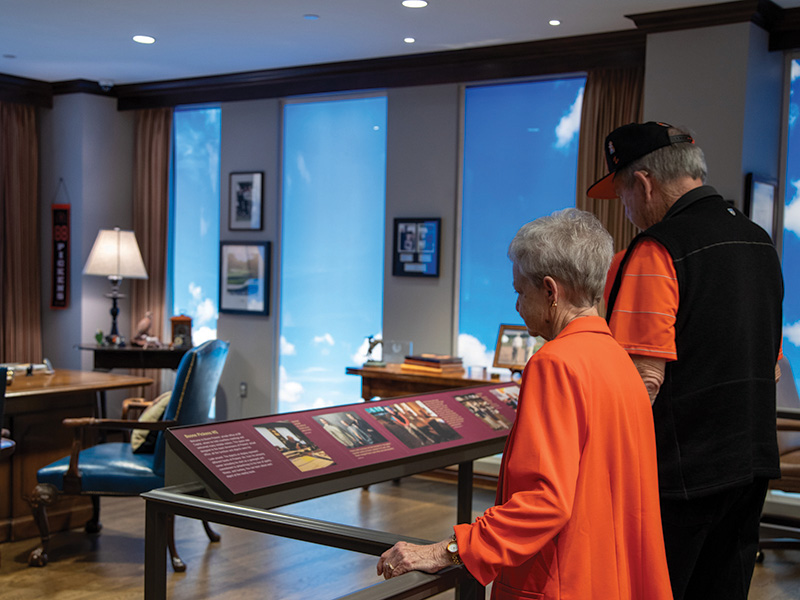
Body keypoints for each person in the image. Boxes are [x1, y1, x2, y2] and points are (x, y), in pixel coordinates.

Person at [376, 209, 672, 600]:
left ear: (551, 291)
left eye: (520, 291)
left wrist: (449, 550)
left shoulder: (555, 363)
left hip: (565, 581)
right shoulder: (618, 360)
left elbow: (544, 501)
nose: (516, 305)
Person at [587, 121, 784, 600]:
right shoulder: (760, 242)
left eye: (623, 196)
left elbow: (643, 380)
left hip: (680, 475)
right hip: (751, 462)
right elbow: (773, 366)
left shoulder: (659, 248)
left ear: (644, 182)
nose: (628, 212)